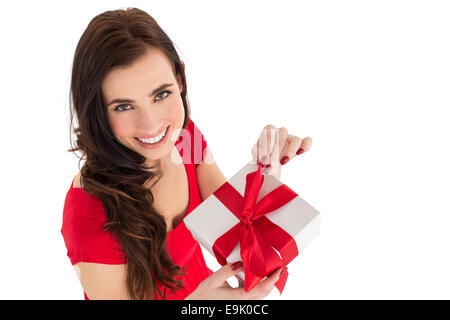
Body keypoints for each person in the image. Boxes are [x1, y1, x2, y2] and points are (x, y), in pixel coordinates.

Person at [61, 7, 312, 300]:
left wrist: (264, 171)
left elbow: (234, 227)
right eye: (123, 106)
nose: (152, 124)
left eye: (161, 94)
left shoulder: (185, 139)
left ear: (179, 79)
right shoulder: (87, 214)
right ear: (97, 111)